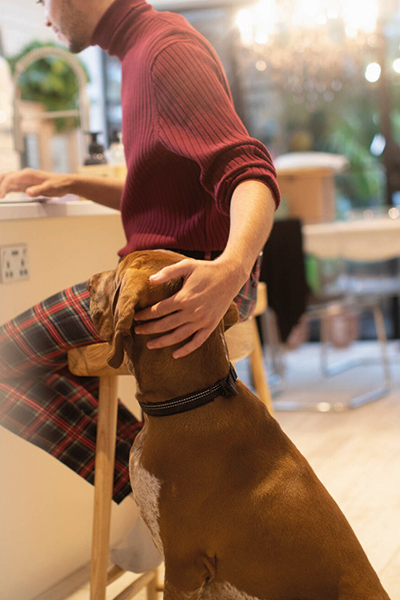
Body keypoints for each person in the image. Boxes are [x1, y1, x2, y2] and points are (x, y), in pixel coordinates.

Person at [0, 0, 279, 569]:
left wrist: (227, 271)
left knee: (5, 358)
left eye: (45, 2)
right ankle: (174, 502)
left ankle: (161, 505)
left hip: (177, 278)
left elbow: (251, 171)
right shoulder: (141, 50)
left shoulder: (162, 51)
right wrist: (75, 182)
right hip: (181, 268)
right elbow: (168, 180)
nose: (47, 19)